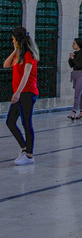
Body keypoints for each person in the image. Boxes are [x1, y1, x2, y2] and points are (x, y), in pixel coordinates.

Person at [4, 25, 39, 165]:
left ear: (18, 40)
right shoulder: (19, 54)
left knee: (26, 122)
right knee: (10, 121)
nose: (12, 41)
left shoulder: (29, 55)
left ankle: (29, 155)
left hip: (27, 93)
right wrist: (15, 50)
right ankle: (25, 148)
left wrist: (17, 93)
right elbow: (6, 64)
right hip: (20, 93)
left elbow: (26, 75)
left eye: (13, 40)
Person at [68, 37, 82, 119]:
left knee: (77, 94)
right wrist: (70, 59)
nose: (73, 45)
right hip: (75, 74)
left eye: (74, 43)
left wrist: (73, 59)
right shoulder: (75, 53)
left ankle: (73, 111)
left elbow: (79, 65)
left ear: (78, 45)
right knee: (80, 94)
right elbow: (72, 65)